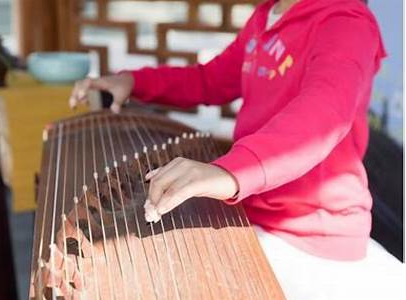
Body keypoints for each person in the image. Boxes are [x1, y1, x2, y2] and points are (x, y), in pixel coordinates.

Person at [69, 0, 405, 298]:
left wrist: (230, 171)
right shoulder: (266, 16)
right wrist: (135, 82)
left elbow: (323, 117)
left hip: (308, 227)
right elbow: (209, 80)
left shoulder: (346, 21)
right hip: (252, 207)